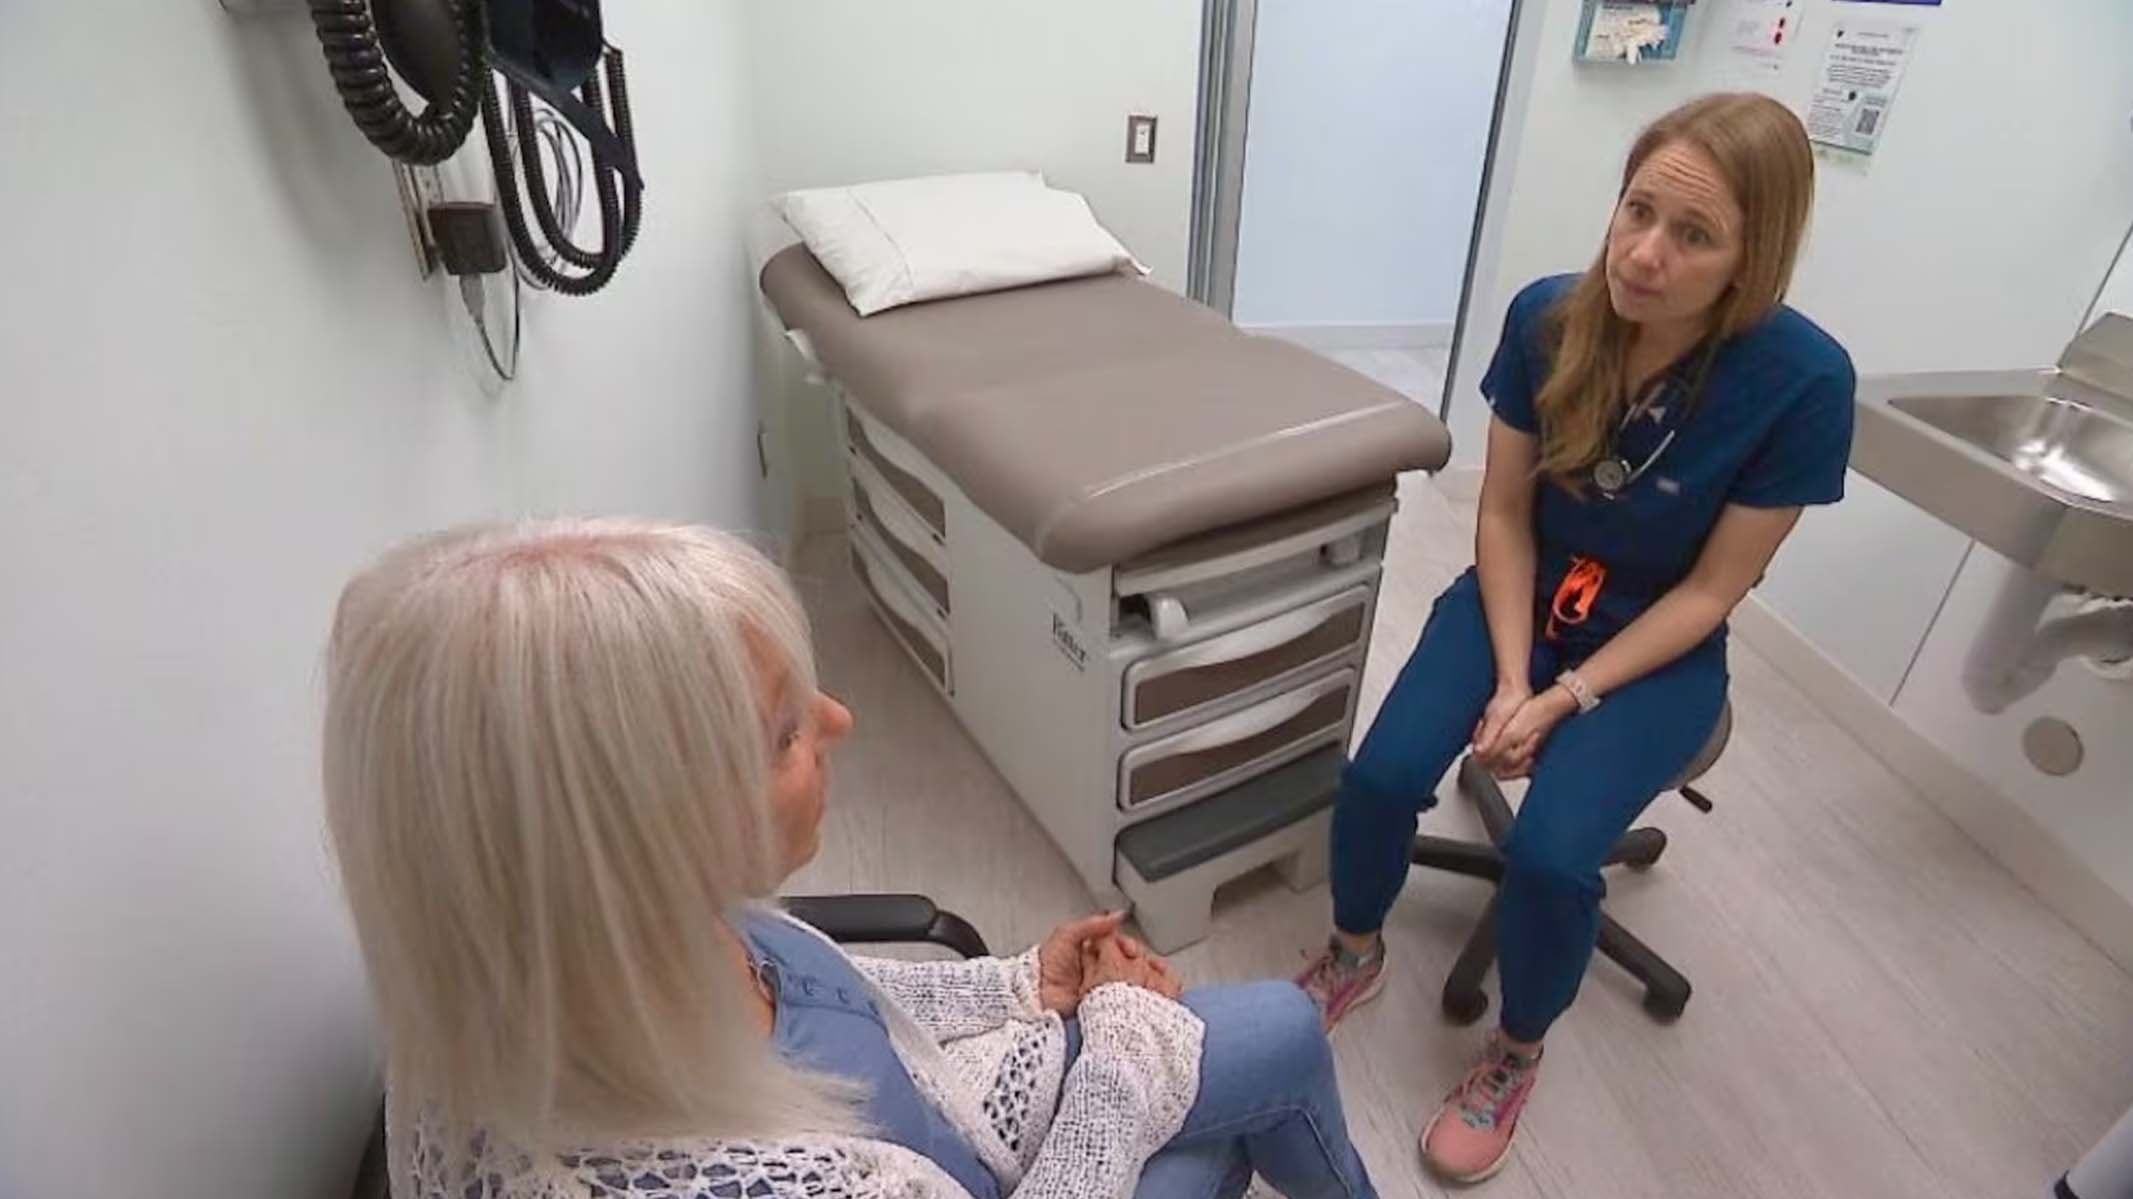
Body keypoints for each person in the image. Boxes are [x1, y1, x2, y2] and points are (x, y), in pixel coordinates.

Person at [323, 520, 1378, 1199]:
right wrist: (1119, 1050)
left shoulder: (594, 934)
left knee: (1280, 1030)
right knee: (1258, 1078)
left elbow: (828, 1001)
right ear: (635, 831)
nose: (839, 719)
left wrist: (1019, 983)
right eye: (783, 731)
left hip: (950, 1118)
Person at [1295, 93, 1855, 1183]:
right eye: (1637, 210)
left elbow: (1713, 591)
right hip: (1525, 589)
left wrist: (1564, 697)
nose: (1643, 254)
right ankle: (1353, 950)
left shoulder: (1804, 381)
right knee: (1380, 775)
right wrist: (1513, 675)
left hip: (1657, 639)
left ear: (1752, 256)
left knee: (1554, 858)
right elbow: (1504, 511)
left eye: (1692, 235)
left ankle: (1513, 1052)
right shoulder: (1550, 316)